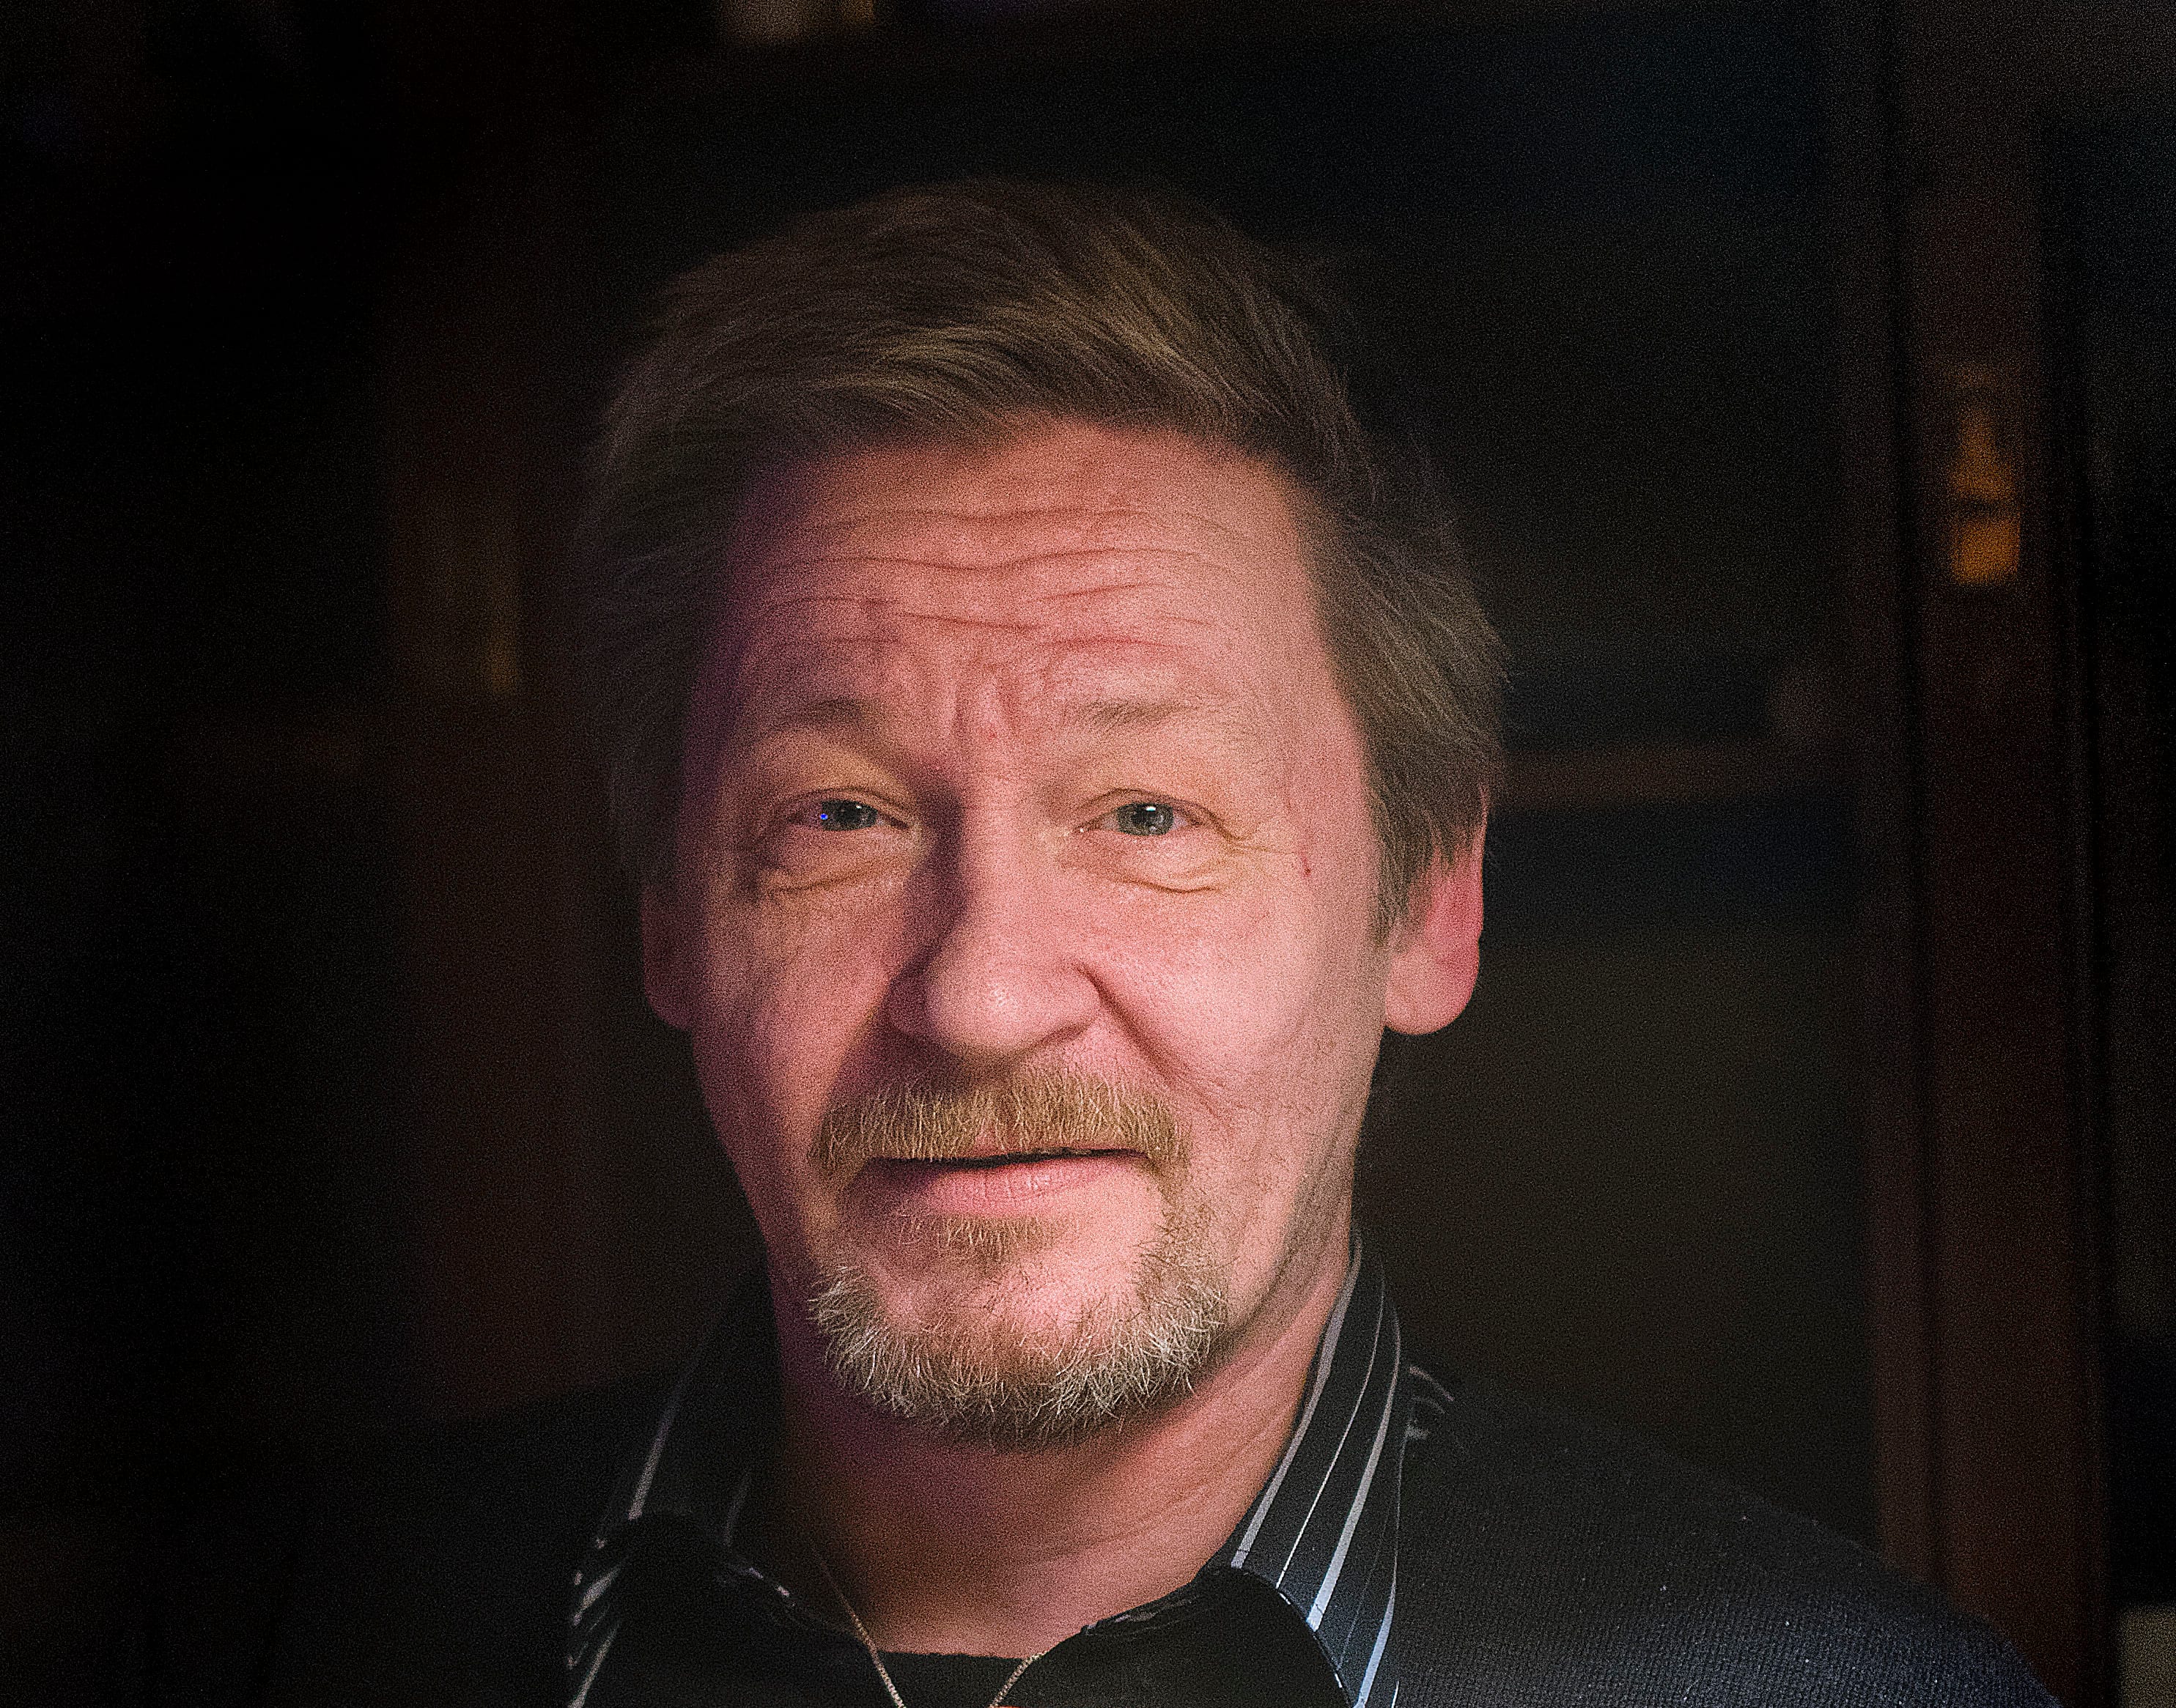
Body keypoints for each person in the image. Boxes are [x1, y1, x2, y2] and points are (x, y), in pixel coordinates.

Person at [158, 180, 2053, 1708]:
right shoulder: (270, 1644)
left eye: (1146, 816)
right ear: (670, 916)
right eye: (840, 820)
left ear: (1426, 902)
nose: (981, 996)